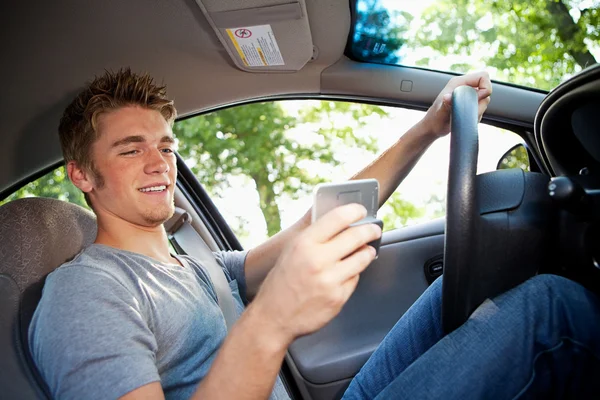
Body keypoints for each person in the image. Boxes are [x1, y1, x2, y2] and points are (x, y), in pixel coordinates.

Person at [27, 68, 600, 400]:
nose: (159, 163)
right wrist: (273, 318)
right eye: (132, 150)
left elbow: (316, 222)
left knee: (468, 280)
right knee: (549, 313)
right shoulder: (86, 294)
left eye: (166, 146)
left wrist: (427, 131)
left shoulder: (195, 266)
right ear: (82, 173)